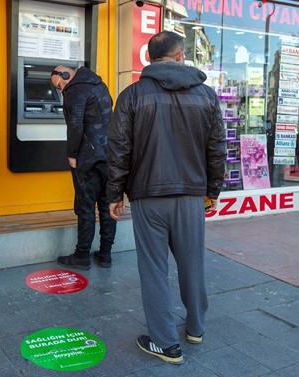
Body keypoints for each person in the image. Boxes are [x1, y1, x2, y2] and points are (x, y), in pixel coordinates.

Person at [106, 31, 226, 364]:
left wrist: (115, 193)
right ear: (179, 56)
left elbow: (118, 149)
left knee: (153, 269)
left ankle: (165, 343)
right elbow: (217, 149)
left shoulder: (131, 95)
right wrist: (212, 190)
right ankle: (196, 328)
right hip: (190, 195)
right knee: (193, 262)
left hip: (147, 195)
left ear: (149, 58)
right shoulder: (206, 95)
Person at [50, 65, 116, 270]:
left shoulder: (74, 91)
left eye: (59, 86)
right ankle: (105, 255)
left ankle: (82, 255)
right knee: (107, 205)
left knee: (85, 206)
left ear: (66, 75)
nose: (61, 91)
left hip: (88, 158)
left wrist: (72, 154)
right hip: (110, 155)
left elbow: (75, 125)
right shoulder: (99, 84)